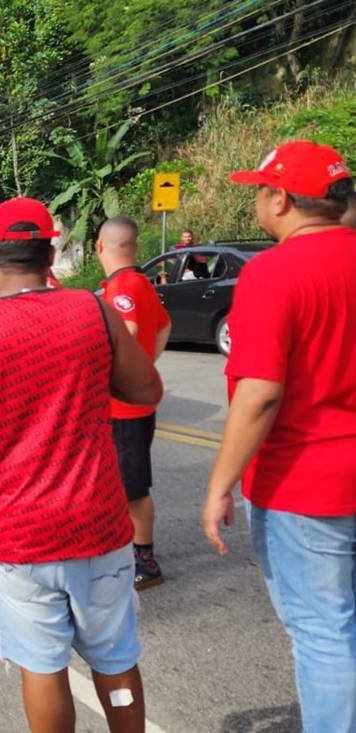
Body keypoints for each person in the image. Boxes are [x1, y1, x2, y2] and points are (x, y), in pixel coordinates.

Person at [0, 197, 163, 733]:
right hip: (98, 520)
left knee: (43, 664)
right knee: (115, 659)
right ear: (51, 255)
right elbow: (146, 386)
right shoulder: (90, 310)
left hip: (17, 533)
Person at [202, 140, 356, 732]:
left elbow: (260, 392)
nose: (258, 203)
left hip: (304, 485)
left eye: (261, 192)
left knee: (324, 632)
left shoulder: (272, 272)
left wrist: (220, 484)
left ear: (283, 199)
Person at [96, 217, 172, 591]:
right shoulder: (140, 282)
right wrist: (146, 365)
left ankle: (145, 559)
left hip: (123, 409)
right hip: (134, 406)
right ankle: (125, 547)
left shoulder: (122, 287)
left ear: (100, 247)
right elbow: (163, 327)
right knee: (123, 483)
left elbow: (129, 331)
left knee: (133, 487)